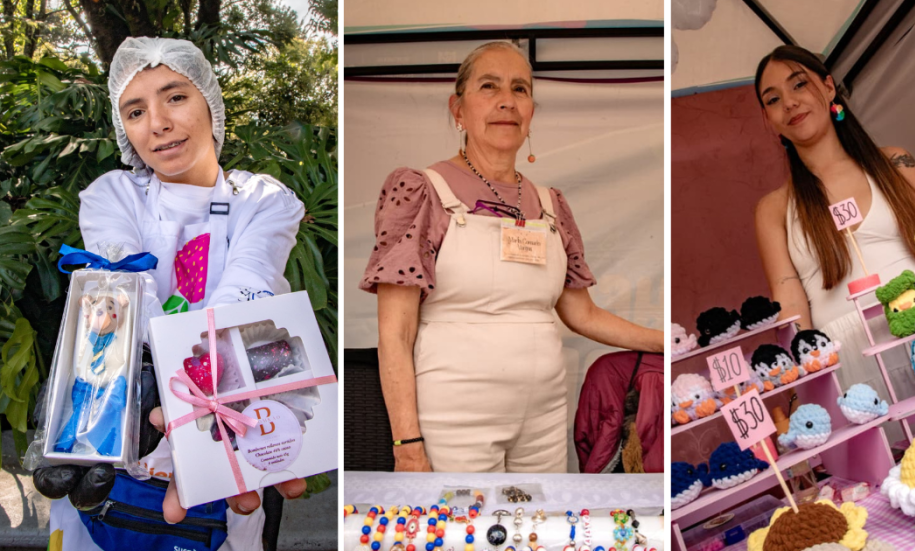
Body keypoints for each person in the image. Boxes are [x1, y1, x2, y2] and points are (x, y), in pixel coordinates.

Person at [34, 37, 308, 550]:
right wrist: (157, 401)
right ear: (124, 129)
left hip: (226, 440)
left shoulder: (265, 201)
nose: (157, 122)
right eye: (135, 110)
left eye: (175, 97)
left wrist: (188, 419)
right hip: (116, 440)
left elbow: (248, 284)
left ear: (210, 101)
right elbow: (123, 286)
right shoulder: (111, 196)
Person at [360, 42, 663, 473]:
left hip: (544, 417)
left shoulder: (551, 204)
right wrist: (407, 444)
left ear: (532, 113)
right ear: (458, 109)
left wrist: (661, 342)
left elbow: (583, 314)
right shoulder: (421, 192)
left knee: (542, 532)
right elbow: (395, 333)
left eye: (520, 89)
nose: (507, 101)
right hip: (452, 419)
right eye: (489, 86)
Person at [752, 45, 915, 408]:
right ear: (767, 119)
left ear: (828, 87)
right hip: (853, 359)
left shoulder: (895, 164)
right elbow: (790, 307)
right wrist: (805, 391)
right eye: (774, 99)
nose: (790, 103)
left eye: (798, 85)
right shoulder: (773, 209)